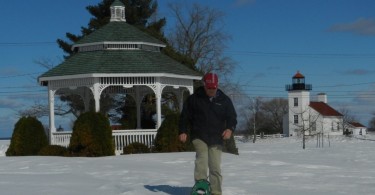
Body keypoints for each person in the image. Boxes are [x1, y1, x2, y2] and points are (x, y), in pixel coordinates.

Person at [179, 72, 237, 195]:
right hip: (199, 135)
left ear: (217, 85)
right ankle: (201, 187)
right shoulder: (194, 99)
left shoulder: (224, 100)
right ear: (204, 85)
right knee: (202, 158)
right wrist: (182, 131)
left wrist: (229, 129)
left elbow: (232, 117)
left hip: (216, 137)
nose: (211, 90)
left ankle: (216, 192)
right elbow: (184, 116)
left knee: (215, 166)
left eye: (213, 88)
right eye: (209, 88)